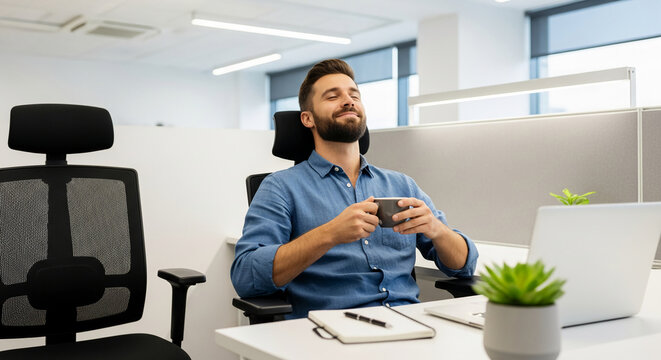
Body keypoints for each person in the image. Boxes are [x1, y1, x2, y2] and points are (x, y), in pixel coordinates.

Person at [231, 59, 478, 319]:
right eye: (332, 96)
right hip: (328, 332)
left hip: (408, 324)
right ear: (307, 118)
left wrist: (436, 230)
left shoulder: (402, 185)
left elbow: (464, 266)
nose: (348, 101)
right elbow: (246, 275)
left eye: (354, 95)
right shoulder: (280, 187)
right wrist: (330, 233)